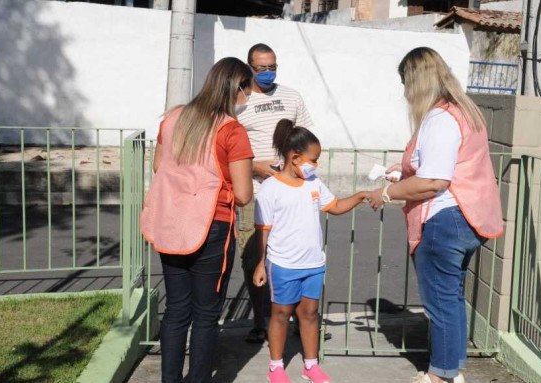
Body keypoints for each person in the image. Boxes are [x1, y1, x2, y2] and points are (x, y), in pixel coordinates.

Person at [366, 47, 504, 383]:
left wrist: (384, 194)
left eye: (405, 83)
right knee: (451, 298)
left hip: (445, 219)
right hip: (468, 216)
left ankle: (439, 376)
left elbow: (433, 182)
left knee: (440, 303)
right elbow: (443, 166)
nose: (404, 92)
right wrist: (405, 170)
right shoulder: (463, 111)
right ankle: (452, 369)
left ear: (416, 81)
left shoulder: (440, 118)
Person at [140, 57, 255, 383]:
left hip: (171, 221)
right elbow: (244, 194)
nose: (247, 98)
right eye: (247, 90)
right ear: (238, 88)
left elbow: (158, 167)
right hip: (212, 226)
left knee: (176, 309)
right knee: (206, 315)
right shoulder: (232, 131)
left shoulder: (173, 117)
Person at [253, 119, 369, 383]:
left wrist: (361, 195)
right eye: (313, 159)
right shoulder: (270, 189)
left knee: (310, 314)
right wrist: (261, 264)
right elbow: (263, 230)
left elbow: (336, 206)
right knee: (281, 315)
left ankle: (310, 365)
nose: (315, 165)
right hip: (282, 265)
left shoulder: (314, 183)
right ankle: (276, 366)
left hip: (313, 264)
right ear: (295, 157)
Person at [236, 43, 318, 344]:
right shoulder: (239, 103)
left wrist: (299, 170)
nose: (268, 72)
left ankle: (299, 319)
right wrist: (253, 166)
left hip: (291, 194)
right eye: (261, 68)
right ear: (249, 68)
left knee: (295, 257)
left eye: (273, 67)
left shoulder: (291, 97)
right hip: (254, 192)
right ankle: (260, 322)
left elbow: (309, 140)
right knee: (255, 256)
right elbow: (228, 147)